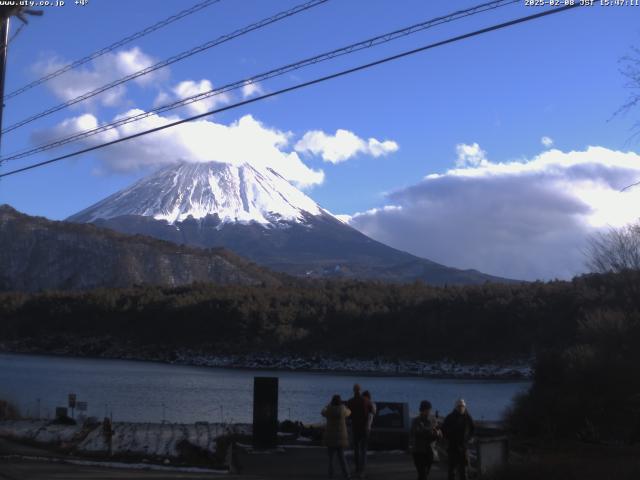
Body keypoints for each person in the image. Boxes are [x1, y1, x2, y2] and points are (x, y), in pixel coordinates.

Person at [442, 399, 475, 480]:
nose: (461, 408)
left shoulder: (468, 417)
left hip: (464, 447)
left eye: (462, 406)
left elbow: (473, 429)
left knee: (464, 471)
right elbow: (444, 430)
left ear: (465, 407)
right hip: (453, 447)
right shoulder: (450, 417)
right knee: (452, 471)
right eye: (459, 406)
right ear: (456, 407)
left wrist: (470, 438)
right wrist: (448, 438)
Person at [346, 384, 374, 478]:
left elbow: (348, 415)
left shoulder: (350, 401)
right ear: (360, 390)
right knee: (363, 449)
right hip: (365, 428)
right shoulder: (366, 401)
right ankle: (362, 469)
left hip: (355, 427)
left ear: (353, 390)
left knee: (356, 449)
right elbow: (373, 411)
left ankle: (357, 467)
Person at [410, 400, 442, 480]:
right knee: (422, 474)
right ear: (422, 410)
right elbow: (416, 432)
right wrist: (430, 429)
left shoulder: (432, 421)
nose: (428, 411)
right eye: (426, 410)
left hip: (429, 451)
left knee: (425, 474)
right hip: (418, 451)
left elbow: (437, 436)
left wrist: (437, 434)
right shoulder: (416, 421)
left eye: (429, 410)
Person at [322, 394, 352, 479]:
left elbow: (322, 412)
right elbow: (349, 412)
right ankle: (347, 475)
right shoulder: (343, 410)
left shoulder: (329, 410)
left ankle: (330, 475)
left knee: (331, 459)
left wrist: (327, 406)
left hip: (330, 438)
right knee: (342, 458)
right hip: (341, 438)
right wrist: (345, 406)